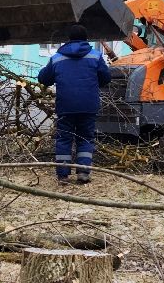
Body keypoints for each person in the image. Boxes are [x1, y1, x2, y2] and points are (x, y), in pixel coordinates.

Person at [37, 24, 112, 185]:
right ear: (86, 39)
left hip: (65, 106)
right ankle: (83, 173)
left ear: (69, 39)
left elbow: (43, 78)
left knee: (64, 139)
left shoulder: (57, 58)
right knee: (85, 138)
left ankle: (63, 176)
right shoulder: (95, 56)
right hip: (88, 105)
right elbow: (106, 78)